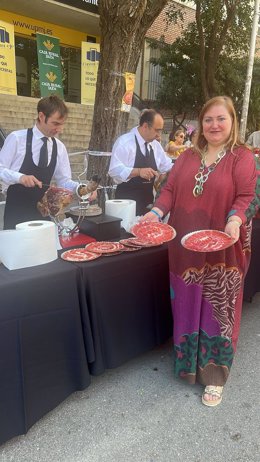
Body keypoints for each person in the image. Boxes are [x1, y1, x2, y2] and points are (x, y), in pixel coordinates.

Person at [142, 96, 257, 406]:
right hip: (184, 248)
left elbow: (249, 196)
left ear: (232, 122)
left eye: (221, 119)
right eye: (208, 119)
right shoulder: (188, 157)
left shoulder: (241, 157)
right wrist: (154, 213)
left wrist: (235, 219)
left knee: (219, 310)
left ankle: (214, 377)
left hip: (223, 248)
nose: (214, 125)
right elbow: (168, 191)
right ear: (201, 124)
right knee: (187, 302)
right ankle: (187, 365)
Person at [0, 95, 95, 229]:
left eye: (62, 124)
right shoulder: (16, 138)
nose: (59, 129)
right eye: (55, 123)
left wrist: (81, 188)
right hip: (16, 212)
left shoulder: (59, 147)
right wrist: (20, 177)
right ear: (41, 116)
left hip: (43, 214)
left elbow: (64, 181)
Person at [108, 109, 172, 216]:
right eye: (157, 130)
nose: (159, 135)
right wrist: (138, 171)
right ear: (145, 126)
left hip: (148, 206)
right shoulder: (124, 142)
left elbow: (167, 166)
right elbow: (114, 171)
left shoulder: (155, 146)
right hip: (125, 207)